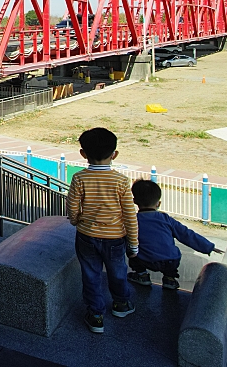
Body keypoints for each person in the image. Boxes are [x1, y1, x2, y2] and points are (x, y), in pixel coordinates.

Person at [67, 127, 139, 334]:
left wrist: (75, 221)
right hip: (116, 239)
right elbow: (129, 215)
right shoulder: (121, 181)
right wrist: (133, 244)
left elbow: (72, 206)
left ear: (83, 154)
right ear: (114, 154)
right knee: (117, 272)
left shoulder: (79, 178)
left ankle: (96, 315)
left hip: (86, 236)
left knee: (90, 274)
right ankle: (121, 304)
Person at [128, 179, 223, 290]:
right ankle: (170, 278)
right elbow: (186, 234)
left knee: (132, 249)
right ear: (159, 203)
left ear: (134, 201)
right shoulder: (166, 219)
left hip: (145, 259)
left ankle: (142, 275)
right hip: (170, 261)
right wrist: (208, 247)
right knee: (172, 255)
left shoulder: (132, 221)